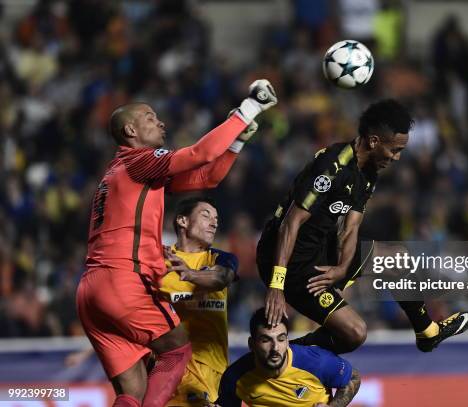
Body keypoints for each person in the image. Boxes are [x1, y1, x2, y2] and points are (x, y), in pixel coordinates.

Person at [76, 80, 277, 407]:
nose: (161, 122)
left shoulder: (122, 173)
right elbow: (201, 153)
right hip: (123, 279)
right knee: (177, 348)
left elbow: (206, 178)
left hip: (91, 291)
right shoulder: (137, 160)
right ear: (130, 130)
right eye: (150, 117)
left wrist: (237, 141)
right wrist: (249, 108)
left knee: (132, 394)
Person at [257, 99, 468, 355]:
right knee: (355, 334)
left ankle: (427, 332)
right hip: (287, 263)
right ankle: (287, 352)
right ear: (373, 141)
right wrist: (276, 285)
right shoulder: (332, 165)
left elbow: (351, 226)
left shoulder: (368, 172)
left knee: (399, 259)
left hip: (322, 249)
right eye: (394, 150)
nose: (397, 157)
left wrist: (340, 269)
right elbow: (291, 223)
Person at [158, 197, 238, 406]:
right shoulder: (157, 261)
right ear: (183, 221)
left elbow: (222, 278)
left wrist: (190, 274)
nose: (214, 223)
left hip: (213, 373)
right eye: (206, 215)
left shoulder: (219, 258)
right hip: (170, 369)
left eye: (216, 219)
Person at [214, 308, 361, 407]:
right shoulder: (235, 376)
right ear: (252, 344)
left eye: (281, 339)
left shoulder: (316, 362)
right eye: (266, 340)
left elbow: (353, 378)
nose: (275, 348)